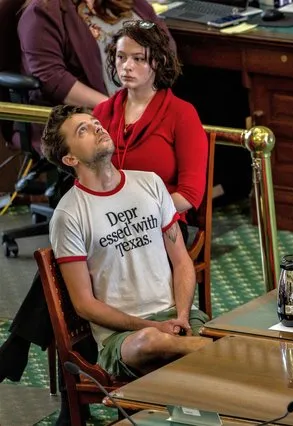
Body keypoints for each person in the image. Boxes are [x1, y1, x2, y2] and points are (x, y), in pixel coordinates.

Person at [41, 104, 209, 378]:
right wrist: (148, 326)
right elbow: (84, 304)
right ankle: (213, 351)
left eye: (96, 123)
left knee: (169, 345)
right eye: (83, 130)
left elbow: (182, 261)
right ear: (70, 158)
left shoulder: (150, 184)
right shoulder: (68, 215)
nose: (97, 128)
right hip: (123, 338)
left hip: (179, 319)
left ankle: (199, 351)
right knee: (151, 343)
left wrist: (181, 314)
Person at [93, 21, 207, 236]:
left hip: (161, 222)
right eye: (121, 56)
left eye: (138, 59)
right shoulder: (102, 112)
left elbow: (190, 194)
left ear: (158, 62)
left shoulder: (182, 114)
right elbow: (86, 175)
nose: (126, 66)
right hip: (106, 220)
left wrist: (133, 217)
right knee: (62, 258)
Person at [18, 0, 171, 108]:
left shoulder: (133, 4)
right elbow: (52, 79)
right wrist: (116, 109)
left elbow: (165, 43)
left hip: (145, 106)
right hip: (87, 121)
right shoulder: (42, 11)